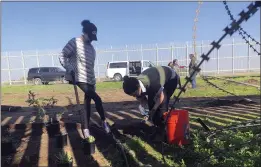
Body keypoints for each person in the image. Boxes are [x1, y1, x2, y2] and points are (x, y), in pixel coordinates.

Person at [58, 20, 110, 137]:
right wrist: (69, 68)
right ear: (85, 33)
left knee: (87, 103)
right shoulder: (75, 42)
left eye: (93, 37)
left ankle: (86, 129)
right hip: (79, 77)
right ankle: (104, 122)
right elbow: (63, 55)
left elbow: (91, 67)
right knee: (98, 99)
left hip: (90, 80)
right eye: (90, 36)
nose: (91, 39)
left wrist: (94, 82)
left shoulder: (91, 49)